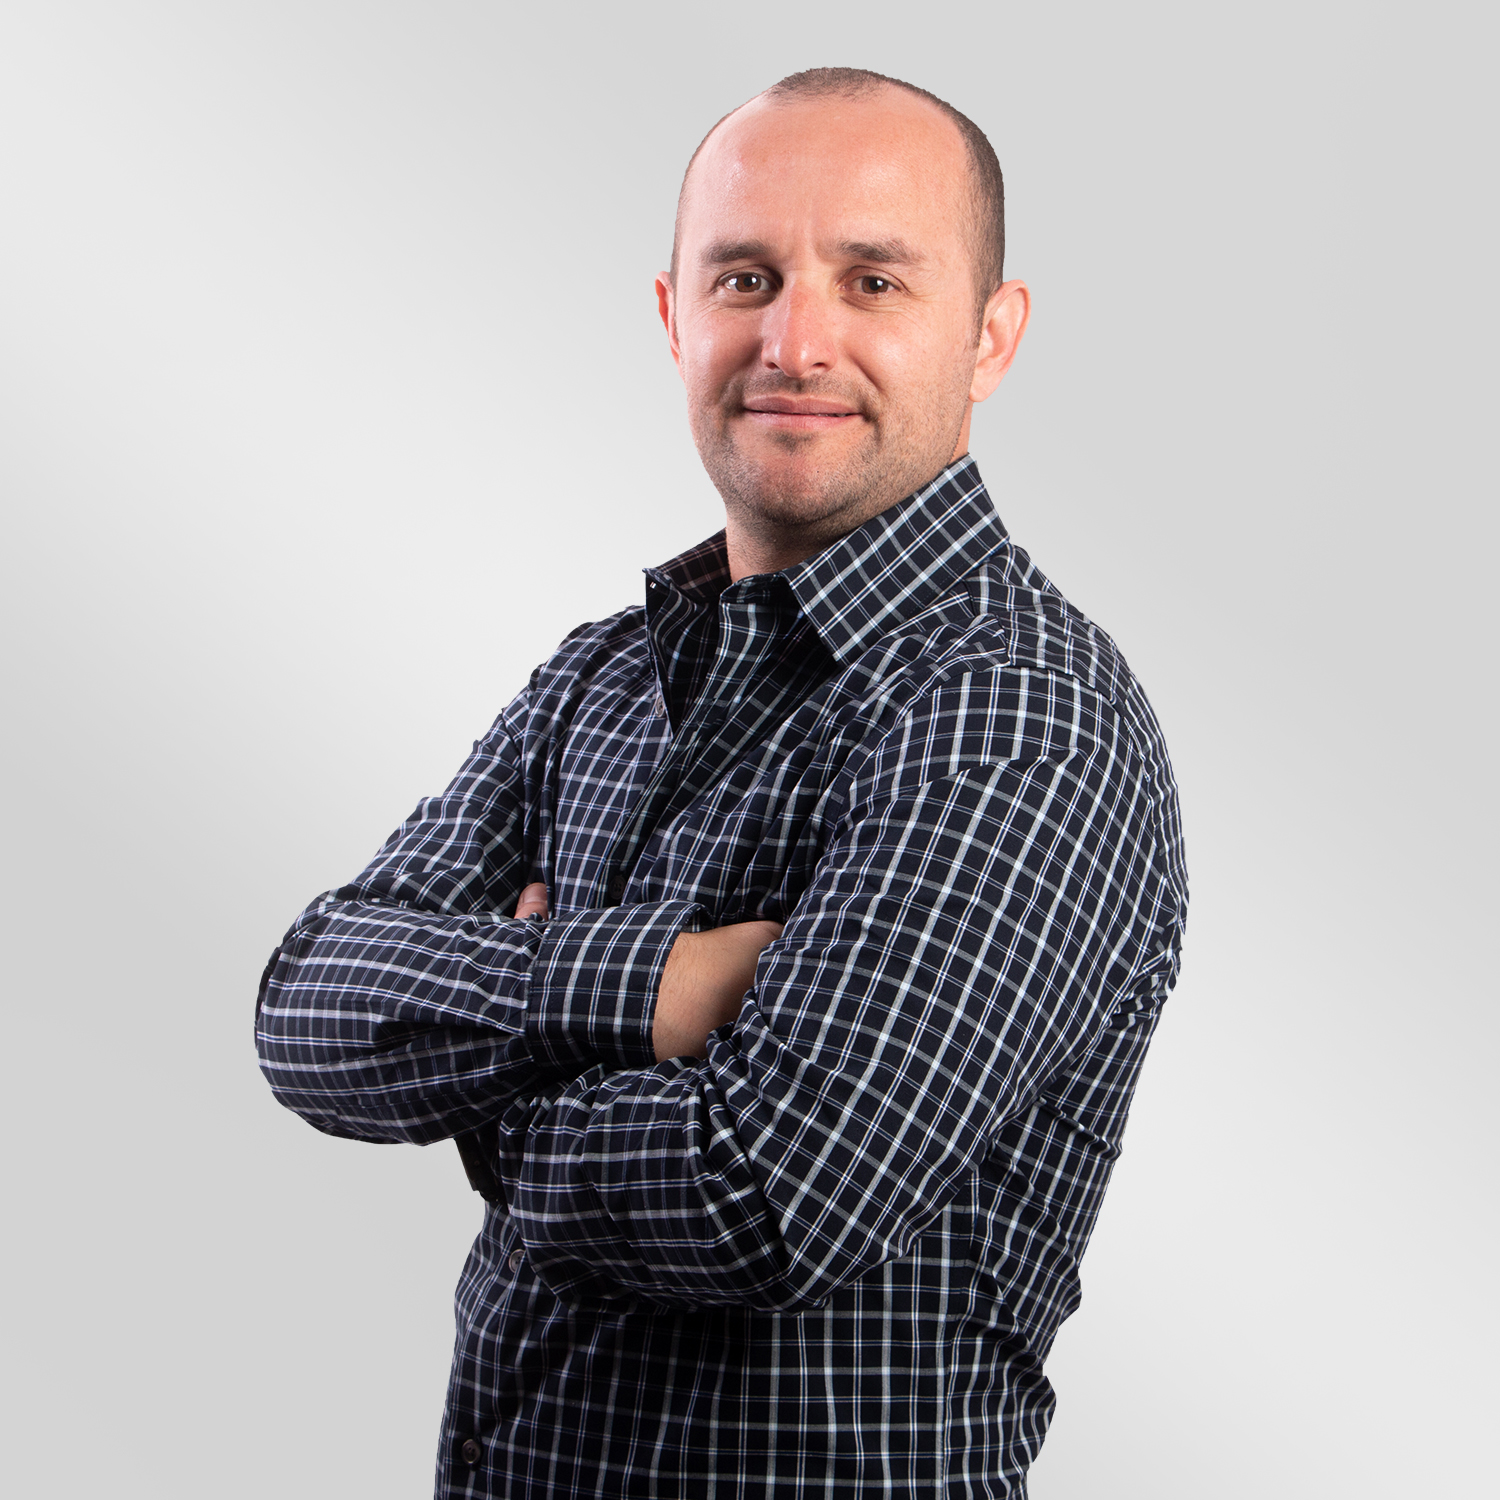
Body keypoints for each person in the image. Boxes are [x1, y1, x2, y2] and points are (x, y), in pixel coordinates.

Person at [257, 66, 1187, 1498]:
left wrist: (484, 1085)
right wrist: (659, 988)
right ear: (674, 316)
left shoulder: (1018, 712)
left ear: (990, 335)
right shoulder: (602, 676)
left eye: (873, 281)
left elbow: (762, 1197)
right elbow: (308, 1003)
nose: (795, 341)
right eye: (746, 278)